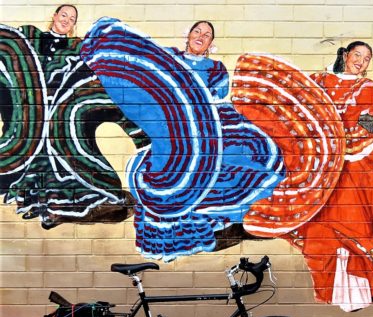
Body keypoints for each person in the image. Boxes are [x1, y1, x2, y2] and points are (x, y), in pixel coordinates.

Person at [233, 42, 373, 311]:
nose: (361, 61)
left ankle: (353, 288)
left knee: (349, 219)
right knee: (320, 226)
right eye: (357, 55)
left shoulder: (367, 88)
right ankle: (341, 286)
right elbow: (299, 105)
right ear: (346, 56)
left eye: (366, 58)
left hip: (351, 156)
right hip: (315, 157)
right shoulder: (319, 80)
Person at [80, 18, 284, 261]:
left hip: (204, 123)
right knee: (170, 169)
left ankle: (218, 211)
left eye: (207, 35)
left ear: (211, 43)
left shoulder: (215, 68)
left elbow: (215, 101)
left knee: (242, 150)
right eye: (197, 31)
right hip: (172, 126)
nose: (201, 36)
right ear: (188, 35)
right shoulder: (170, 58)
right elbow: (151, 84)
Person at [0, 6, 141, 229]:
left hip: (64, 117)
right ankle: (53, 205)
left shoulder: (77, 48)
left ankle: (62, 207)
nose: (67, 20)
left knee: (74, 153)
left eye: (72, 18)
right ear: (54, 17)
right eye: (63, 15)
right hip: (30, 118)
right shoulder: (30, 39)